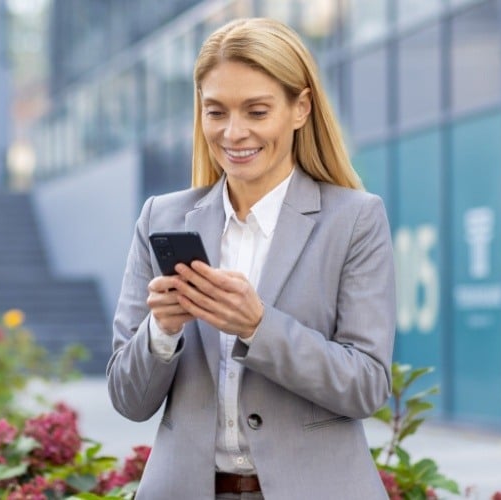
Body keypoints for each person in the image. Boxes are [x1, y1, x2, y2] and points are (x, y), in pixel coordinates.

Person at [107, 17, 395, 500]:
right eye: (216, 112)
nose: (233, 133)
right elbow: (128, 399)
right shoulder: (162, 217)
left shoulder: (355, 220)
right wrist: (161, 332)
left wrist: (258, 325)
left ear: (300, 107)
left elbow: (366, 386)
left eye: (257, 111)